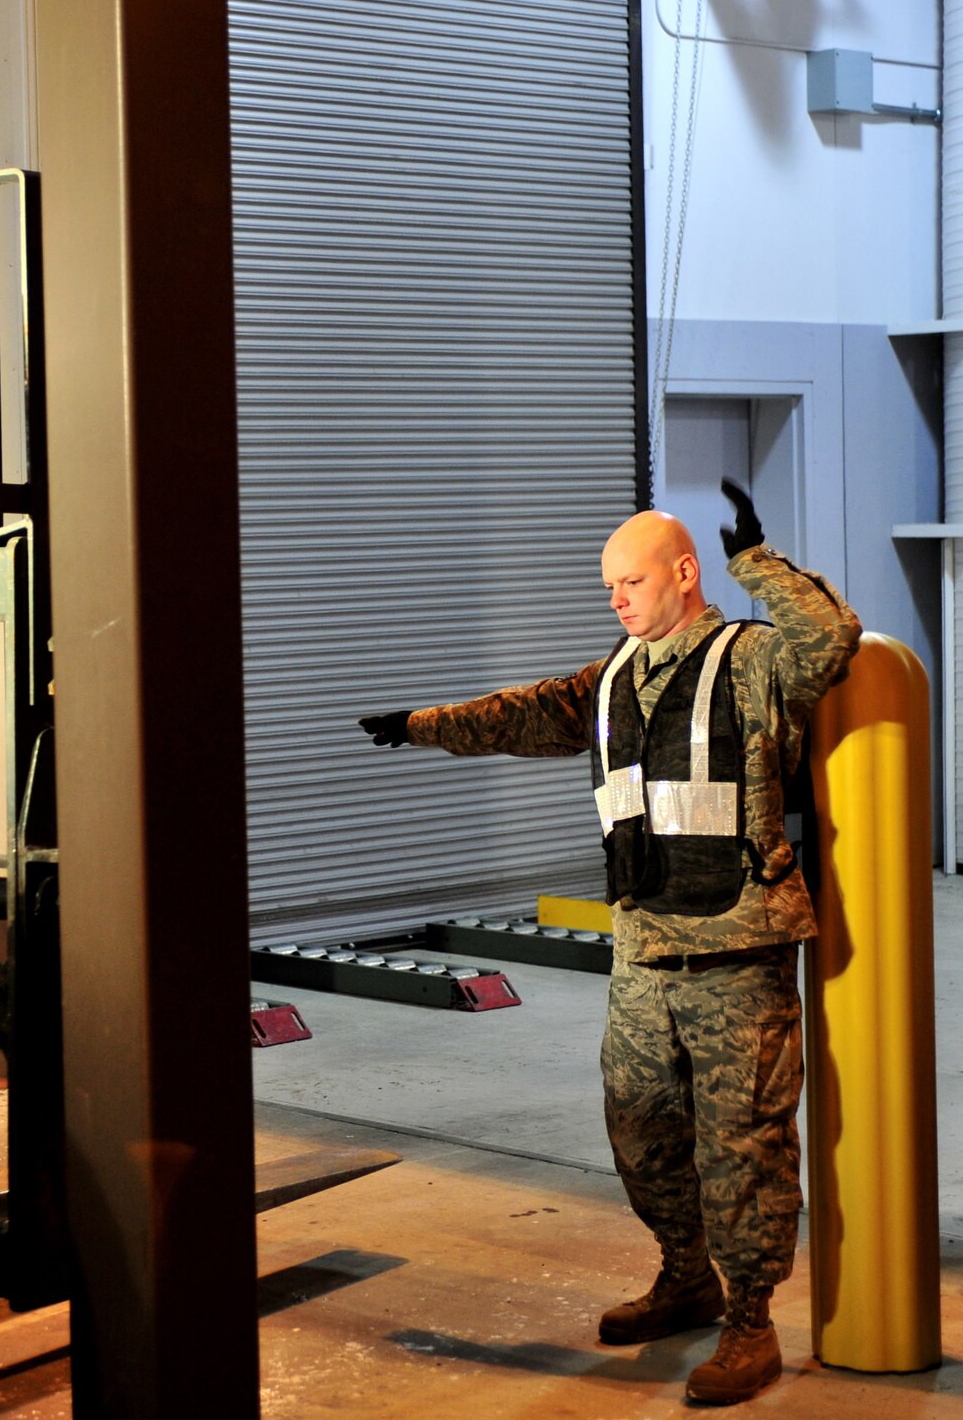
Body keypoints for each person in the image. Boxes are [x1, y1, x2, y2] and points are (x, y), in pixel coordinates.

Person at [357, 483, 860, 1407]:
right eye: (608, 588)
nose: (618, 599)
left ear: (684, 572)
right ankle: (686, 1276)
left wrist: (758, 560)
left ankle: (751, 1322)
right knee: (639, 1133)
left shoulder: (749, 662)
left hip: (734, 952)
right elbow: (516, 714)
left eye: (630, 581)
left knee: (742, 1146)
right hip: (642, 956)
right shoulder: (615, 677)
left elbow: (832, 638)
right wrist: (419, 726)